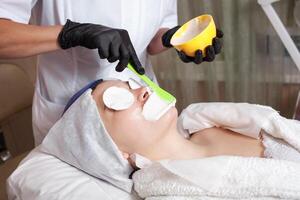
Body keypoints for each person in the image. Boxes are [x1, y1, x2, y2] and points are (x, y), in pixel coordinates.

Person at [0, 1, 223, 146]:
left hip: (143, 114)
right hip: (70, 114)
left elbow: (149, 40)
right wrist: (72, 34)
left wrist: (170, 39)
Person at [91, 80, 265, 162]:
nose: (143, 89)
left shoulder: (211, 123)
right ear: (113, 150)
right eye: (116, 101)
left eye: (130, 86)